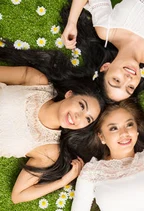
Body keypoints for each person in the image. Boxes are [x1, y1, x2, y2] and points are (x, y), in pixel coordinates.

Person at [0, 66, 106, 203]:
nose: (78, 117)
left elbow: (18, 195)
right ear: (70, 94)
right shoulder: (36, 81)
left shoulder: (48, 150)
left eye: (87, 119)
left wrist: (63, 181)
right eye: (81, 105)